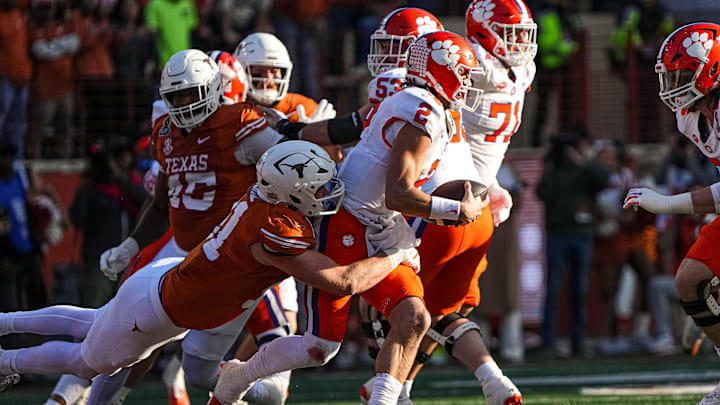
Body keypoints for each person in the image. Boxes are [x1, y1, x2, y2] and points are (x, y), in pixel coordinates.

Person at [208, 30, 486, 405]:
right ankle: (240, 374)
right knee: (320, 347)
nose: (467, 82)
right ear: (441, 68)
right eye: (463, 72)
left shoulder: (419, 103)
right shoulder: (421, 112)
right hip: (349, 223)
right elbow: (398, 192)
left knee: (414, 318)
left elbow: (350, 131)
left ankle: (385, 400)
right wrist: (455, 210)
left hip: (378, 224)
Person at [0, 140, 418, 390]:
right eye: (318, 186)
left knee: (94, 321)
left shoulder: (267, 200)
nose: (328, 191)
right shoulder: (275, 228)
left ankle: (5, 321)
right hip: (158, 310)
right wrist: (396, 253)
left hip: (166, 287)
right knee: (84, 363)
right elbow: (342, 282)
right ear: (289, 192)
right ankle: (6, 363)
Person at [361, 1, 535, 403]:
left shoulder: (407, 91)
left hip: (436, 209)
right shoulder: (509, 73)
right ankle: (490, 381)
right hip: (479, 208)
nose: (391, 59)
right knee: (438, 314)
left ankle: (388, 392)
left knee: (382, 302)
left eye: (400, 49)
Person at [621, 22, 720, 405]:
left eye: (683, 74)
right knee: (690, 279)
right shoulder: (692, 116)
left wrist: (668, 203)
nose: (674, 84)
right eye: (671, 75)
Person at [537, 129, 609, 357]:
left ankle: (579, 340)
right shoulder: (555, 171)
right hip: (558, 234)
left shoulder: (585, 171)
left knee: (580, 290)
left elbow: (604, 179)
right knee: (553, 289)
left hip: (581, 234)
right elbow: (542, 192)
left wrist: (583, 161)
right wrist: (552, 166)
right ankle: (549, 341)